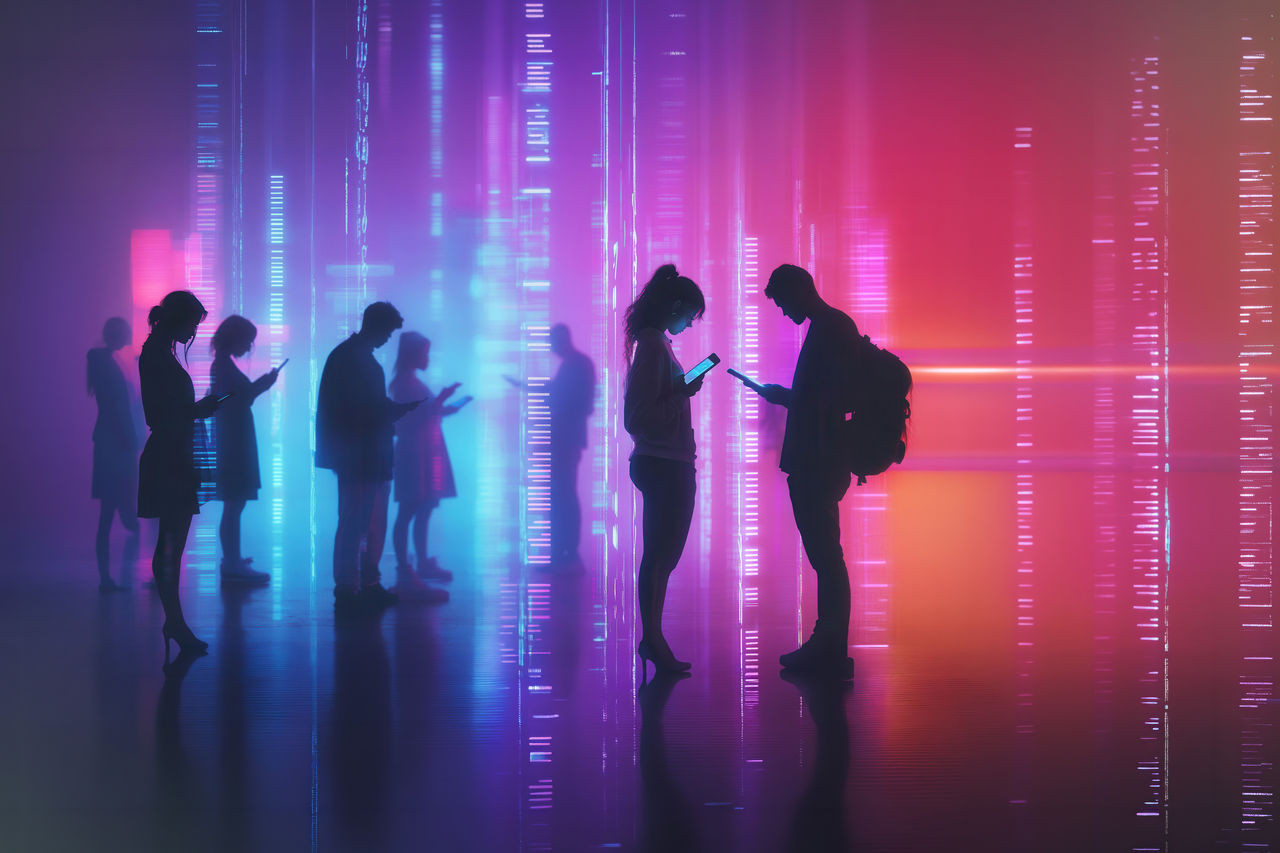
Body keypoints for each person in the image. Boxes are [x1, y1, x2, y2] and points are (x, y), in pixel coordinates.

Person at [747, 264, 862, 679]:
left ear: (799, 291)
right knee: (826, 556)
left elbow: (831, 402)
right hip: (819, 460)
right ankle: (828, 643)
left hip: (818, 460)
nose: (782, 312)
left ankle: (829, 647)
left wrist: (787, 399)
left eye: (782, 302)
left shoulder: (830, 329)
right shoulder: (832, 327)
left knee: (827, 557)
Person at [623, 264, 707, 677]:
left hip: (662, 462)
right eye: (690, 316)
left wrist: (678, 391)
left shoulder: (654, 345)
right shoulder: (654, 347)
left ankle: (653, 638)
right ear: (675, 307)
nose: (689, 325)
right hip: (664, 463)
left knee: (660, 556)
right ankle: (653, 638)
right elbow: (638, 417)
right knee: (660, 556)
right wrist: (681, 394)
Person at [316, 302, 420, 613]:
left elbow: (354, 407)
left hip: (360, 454)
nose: (389, 338)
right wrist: (392, 410)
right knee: (357, 521)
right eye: (387, 331)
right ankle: (350, 586)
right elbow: (360, 409)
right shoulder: (356, 360)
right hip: (362, 454)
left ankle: (358, 583)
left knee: (359, 521)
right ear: (376, 326)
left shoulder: (347, 356)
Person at [138, 290, 224, 659]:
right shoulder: (158, 355)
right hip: (172, 457)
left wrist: (193, 411)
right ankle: (174, 620)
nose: (194, 331)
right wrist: (196, 410)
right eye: (192, 323)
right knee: (171, 543)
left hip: (173, 455)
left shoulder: (159, 351)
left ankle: (175, 620)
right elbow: (160, 415)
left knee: (171, 542)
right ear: (177, 319)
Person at [388, 331, 459, 602]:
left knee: (423, 505)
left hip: (423, 452)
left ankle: (419, 562)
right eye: (424, 352)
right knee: (410, 507)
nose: (427, 357)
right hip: (414, 453)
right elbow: (412, 417)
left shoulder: (410, 382)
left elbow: (423, 413)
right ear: (413, 355)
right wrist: (440, 401)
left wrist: (441, 405)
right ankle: (407, 567)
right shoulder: (405, 384)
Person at [209, 315, 280, 585]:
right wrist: (260, 386)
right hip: (234, 442)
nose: (249, 347)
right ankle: (232, 561)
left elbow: (233, 397)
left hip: (233, 439)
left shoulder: (222, 366)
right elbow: (233, 399)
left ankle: (233, 558)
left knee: (234, 504)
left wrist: (256, 387)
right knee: (234, 504)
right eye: (248, 341)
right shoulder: (224, 367)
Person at [88, 317, 141, 591]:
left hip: (111, 443)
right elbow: (119, 408)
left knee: (107, 512)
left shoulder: (104, 363)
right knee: (111, 509)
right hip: (117, 445)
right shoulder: (109, 365)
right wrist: (131, 439)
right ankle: (105, 578)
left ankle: (105, 576)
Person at [547, 323, 596, 570]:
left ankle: (565, 553)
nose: (550, 348)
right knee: (563, 494)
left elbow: (579, 402)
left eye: (551, 342)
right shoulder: (578, 363)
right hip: (567, 438)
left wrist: (553, 396)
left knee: (562, 494)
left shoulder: (575, 365)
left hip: (566, 438)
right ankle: (564, 553)